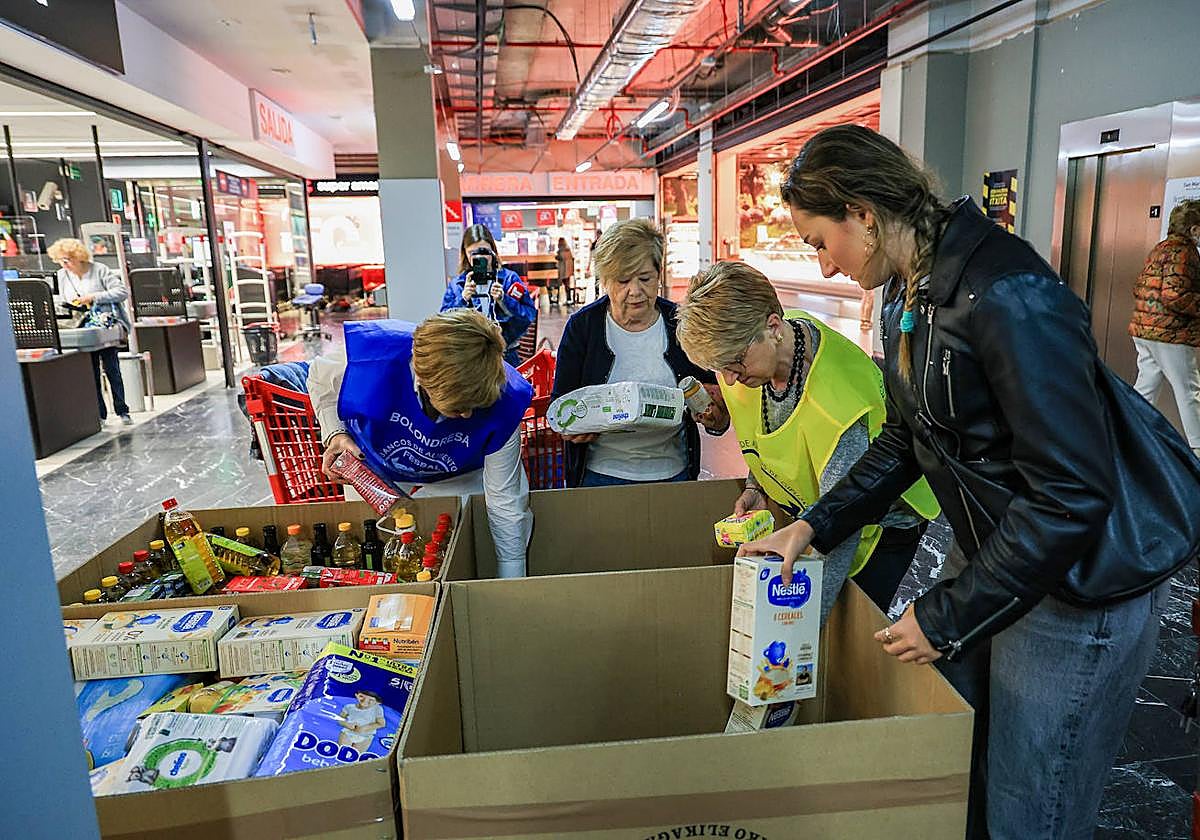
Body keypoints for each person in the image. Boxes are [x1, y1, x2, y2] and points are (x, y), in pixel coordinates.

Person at [738, 124, 1200, 839]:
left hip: (1078, 583)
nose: (823, 268)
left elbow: (1073, 493)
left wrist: (949, 616)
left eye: (819, 242)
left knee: (1029, 809)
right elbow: (906, 436)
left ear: (863, 211)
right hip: (1000, 549)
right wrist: (816, 523)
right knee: (963, 775)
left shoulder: (1007, 293)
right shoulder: (905, 294)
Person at [676, 261, 940, 618]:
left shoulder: (839, 403)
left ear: (772, 328)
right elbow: (766, 429)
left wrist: (801, 624)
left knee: (846, 636)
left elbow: (841, 528)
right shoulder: (758, 351)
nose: (731, 380)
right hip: (813, 517)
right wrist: (757, 487)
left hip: (875, 532)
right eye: (720, 367)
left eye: (736, 363)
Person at [308, 309, 533, 577]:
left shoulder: (506, 402)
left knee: (455, 554)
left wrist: (511, 575)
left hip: (458, 476)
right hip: (374, 471)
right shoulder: (371, 356)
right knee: (380, 558)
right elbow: (320, 380)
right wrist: (336, 433)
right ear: (425, 381)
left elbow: (505, 501)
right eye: (459, 408)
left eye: (477, 406)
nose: (469, 416)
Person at [552, 219, 729, 488]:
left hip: (673, 473)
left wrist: (715, 415)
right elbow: (561, 404)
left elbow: (715, 406)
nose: (635, 291)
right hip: (601, 475)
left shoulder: (680, 323)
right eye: (623, 281)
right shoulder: (583, 328)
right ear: (605, 281)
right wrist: (573, 427)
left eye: (645, 278)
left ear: (659, 275)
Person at [1130, 198, 1200, 457]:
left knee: (1146, 387)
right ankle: (1198, 446)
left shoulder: (1160, 248)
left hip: (1146, 329)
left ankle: (1129, 436)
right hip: (1170, 333)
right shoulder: (1184, 252)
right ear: (1194, 229)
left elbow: (1140, 287)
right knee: (1188, 389)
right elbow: (1174, 294)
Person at [47, 237, 132, 426]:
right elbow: (62, 298)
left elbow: (121, 292)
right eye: (61, 260)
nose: (64, 264)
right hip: (81, 327)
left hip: (104, 326)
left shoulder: (99, 270)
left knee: (112, 368)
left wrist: (94, 297)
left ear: (78, 257)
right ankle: (99, 414)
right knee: (90, 372)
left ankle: (122, 410)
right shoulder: (62, 275)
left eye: (67, 260)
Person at [441, 224, 536, 365]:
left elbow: (528, 317)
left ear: (493, 251)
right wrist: (462, 299)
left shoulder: (509, 279)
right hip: (470, 359)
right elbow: (444, 323)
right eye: (473, 253)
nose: (480, 257)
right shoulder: (458, 285)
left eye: (484, 251)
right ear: (465, 254)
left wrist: (505, 301)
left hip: (506, 356)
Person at [554, 236, 575, 307]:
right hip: (568, 271)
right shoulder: (568, 250)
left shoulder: (562, 251)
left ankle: (560, 300)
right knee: (566, 286)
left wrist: (556, 256)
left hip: (563, 271)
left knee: (563, 285)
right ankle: (568, 299)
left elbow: (560, 258)